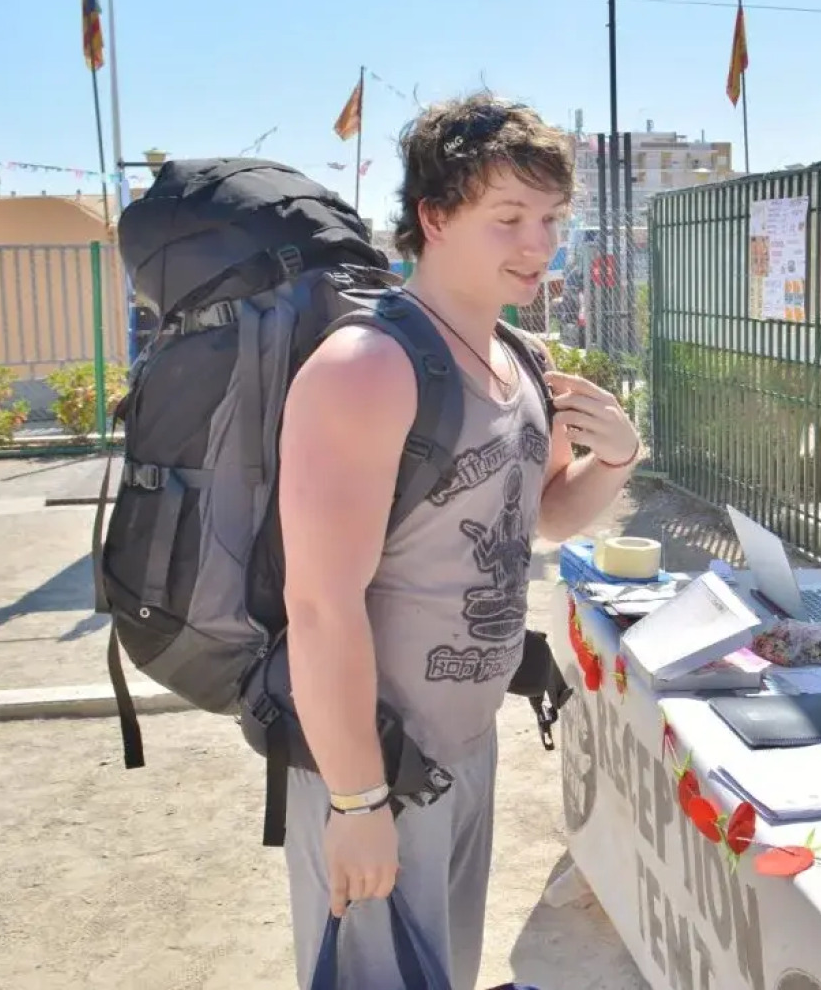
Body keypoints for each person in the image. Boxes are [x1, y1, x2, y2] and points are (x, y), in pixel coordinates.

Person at [274, 93, 641, 988]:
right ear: (434, 218)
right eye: (507, 218)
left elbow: (540, 519)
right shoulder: (367, 368)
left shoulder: (520, 359)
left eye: (551, 218)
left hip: (466, 749)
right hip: (377, 761)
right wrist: (356, 799)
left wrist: (619, 458)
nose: (538, 244)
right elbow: (318, 604)